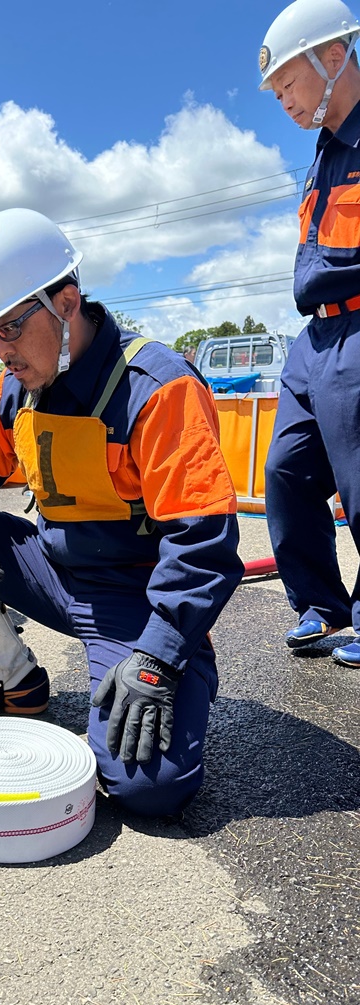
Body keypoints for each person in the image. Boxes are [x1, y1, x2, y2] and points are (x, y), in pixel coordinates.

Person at [0, 208, 243, 817]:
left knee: (149, 789)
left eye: (9, 329)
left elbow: (204, 543)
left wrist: (158, 655)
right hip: (56, 575)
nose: (1, 353)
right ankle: (12, 677)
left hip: (137, 600)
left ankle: (181, 661)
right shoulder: (16, 386)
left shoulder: (157, 389)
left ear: (65, 301)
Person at [260, 0, 360, 665]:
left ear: (332, 56)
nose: (285, 104)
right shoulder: (324, 150)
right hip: (313, 337)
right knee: (285, 470)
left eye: (288, 85)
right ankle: (322, 608)